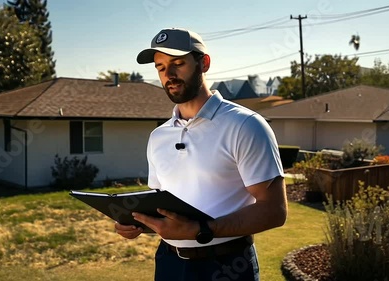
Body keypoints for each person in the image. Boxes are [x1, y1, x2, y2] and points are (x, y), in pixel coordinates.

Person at [115, 27, 288, 281]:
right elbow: (163, 207)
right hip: (169, 264)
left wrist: (200, 230)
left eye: (178, 63)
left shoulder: (246, 125)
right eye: (160, 68)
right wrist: (138, 223)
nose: (169, 75)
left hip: (227, 265)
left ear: (203, 63)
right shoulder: (158, 137)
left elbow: (274, 210)